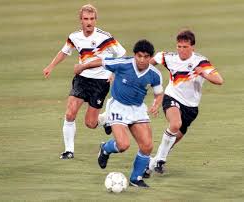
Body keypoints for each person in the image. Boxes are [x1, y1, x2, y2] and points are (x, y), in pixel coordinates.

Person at [74, 39, 163, 188]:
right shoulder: (123, 63)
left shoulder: (154, 74)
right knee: (123, 145)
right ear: (135, 55)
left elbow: (159, 93)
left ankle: (136, 178)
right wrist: (82, 67)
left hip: (138, 109)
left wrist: (156, 104)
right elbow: (101, 61)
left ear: (150, 57)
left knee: (147, 146)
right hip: (118, 107)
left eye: (146, 56)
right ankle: (105, 148)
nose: (142, 60)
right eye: (139, 56)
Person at [43, 4, 126, 159]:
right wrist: (51, 66)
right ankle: (69, 151)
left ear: (96, 20)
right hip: (82, 79)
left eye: (92, 19)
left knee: (90, 123)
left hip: (100, 82)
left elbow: (121, 54)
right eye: (86, 19)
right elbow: (64, 51)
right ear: (80, 20)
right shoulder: (75, 36)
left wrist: (113, 72)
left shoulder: (105, 37)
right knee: (70, 113)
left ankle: (106, 119)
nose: (89, 22)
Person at [143, 30, 224, 177]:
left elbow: (219, 80)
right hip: (172, 97)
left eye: (185, 47)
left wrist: (204, 73)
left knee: (173, 139)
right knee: (175, 124)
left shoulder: (201, 62)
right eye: (179, 46)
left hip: (191, 108)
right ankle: (160, 160)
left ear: (192, 47)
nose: (181, 50)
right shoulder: (170, 57)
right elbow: (153, 61)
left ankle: (152, 163)